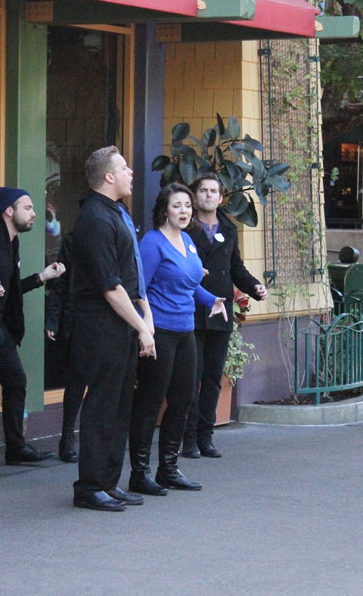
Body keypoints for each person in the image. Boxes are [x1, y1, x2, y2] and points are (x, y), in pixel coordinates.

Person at [70, 146, 156, 512]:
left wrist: (144, 321)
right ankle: (89, 486)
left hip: (121, 326)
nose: (131, 172)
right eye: (123, 168)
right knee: (102, 406)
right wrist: (143, 327)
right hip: (101, 327)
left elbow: (131, 278)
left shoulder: (116, 212)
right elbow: (110, 286)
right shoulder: (94, 218)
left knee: (121, 405)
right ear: (108, 177)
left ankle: (108, 481)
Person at [129, 183, 227, 495]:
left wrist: (212, 299)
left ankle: (168, 468)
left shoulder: (187, 240)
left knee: (184, 398)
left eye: (187, 205)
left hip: (187, 330)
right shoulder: (152, 242)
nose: (184, 211)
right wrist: (146, 326)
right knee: (150, 401)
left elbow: (189, 282)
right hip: (160, 332)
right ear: (164, 210)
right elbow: (138, 286)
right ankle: (139, 473)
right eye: (177, 206)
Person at [0, 187, 65, 469]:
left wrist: (42, 277)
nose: (33, 214)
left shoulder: (11, 242)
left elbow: (10, 289)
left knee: (16, 382)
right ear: (9, 210)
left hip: (0, 330)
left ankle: (16, 448)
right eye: (27, 208)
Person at [181, 173, 266, 459]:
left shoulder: (228, 228)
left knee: (213, 378)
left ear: (220, 197)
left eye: (213, 191)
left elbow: (235, 268)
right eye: (202, 190)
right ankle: (188, 439)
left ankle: (206, 436)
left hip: (220, 311)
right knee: (191, 377)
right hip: (190, 310)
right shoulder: (185, 228)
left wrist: (254, 287)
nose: (207, 195)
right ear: (195, 196)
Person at [45, 230, 83, 463]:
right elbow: (60, 285)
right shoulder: (74, 239)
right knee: (76, 379)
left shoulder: (122, 233)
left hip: (111, 318)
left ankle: (98, 437)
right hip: (78, 318)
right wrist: (53, 320)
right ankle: (68, 435)